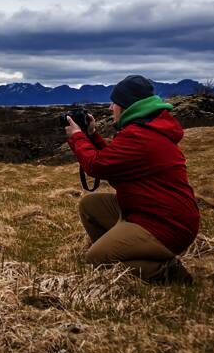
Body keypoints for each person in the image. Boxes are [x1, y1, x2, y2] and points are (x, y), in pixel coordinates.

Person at [65, 75, 200, 283]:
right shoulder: (144, 130)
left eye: (114, 103)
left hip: (166, 225)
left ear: (127, 105)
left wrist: (77, 136)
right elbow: (114, 162)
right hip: (147, 213)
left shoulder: (141, 136)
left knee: (95, 259)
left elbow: (96, 165)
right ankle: (122, 251)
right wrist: (91, 136)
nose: (110, 108)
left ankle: (165, 271)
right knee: (91, 205)